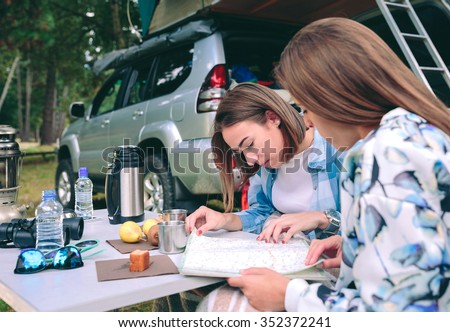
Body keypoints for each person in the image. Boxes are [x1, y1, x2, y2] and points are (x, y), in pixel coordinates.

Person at [224, 17, 450, 312]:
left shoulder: (381, 155)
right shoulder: (419, 132)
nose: (306, 121)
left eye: (306, 107)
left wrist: (290, 297)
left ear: (337, 94)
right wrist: (354, 247)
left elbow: (403, 314)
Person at [186, 82, 344, 241]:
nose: (249, 161)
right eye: (241, 152)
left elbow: (366, 232)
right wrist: (224, 219)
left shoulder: (342, 150)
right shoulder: (269, 163)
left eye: (249, 145)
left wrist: (323, 219)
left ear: (273, 118)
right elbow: (262, 212)